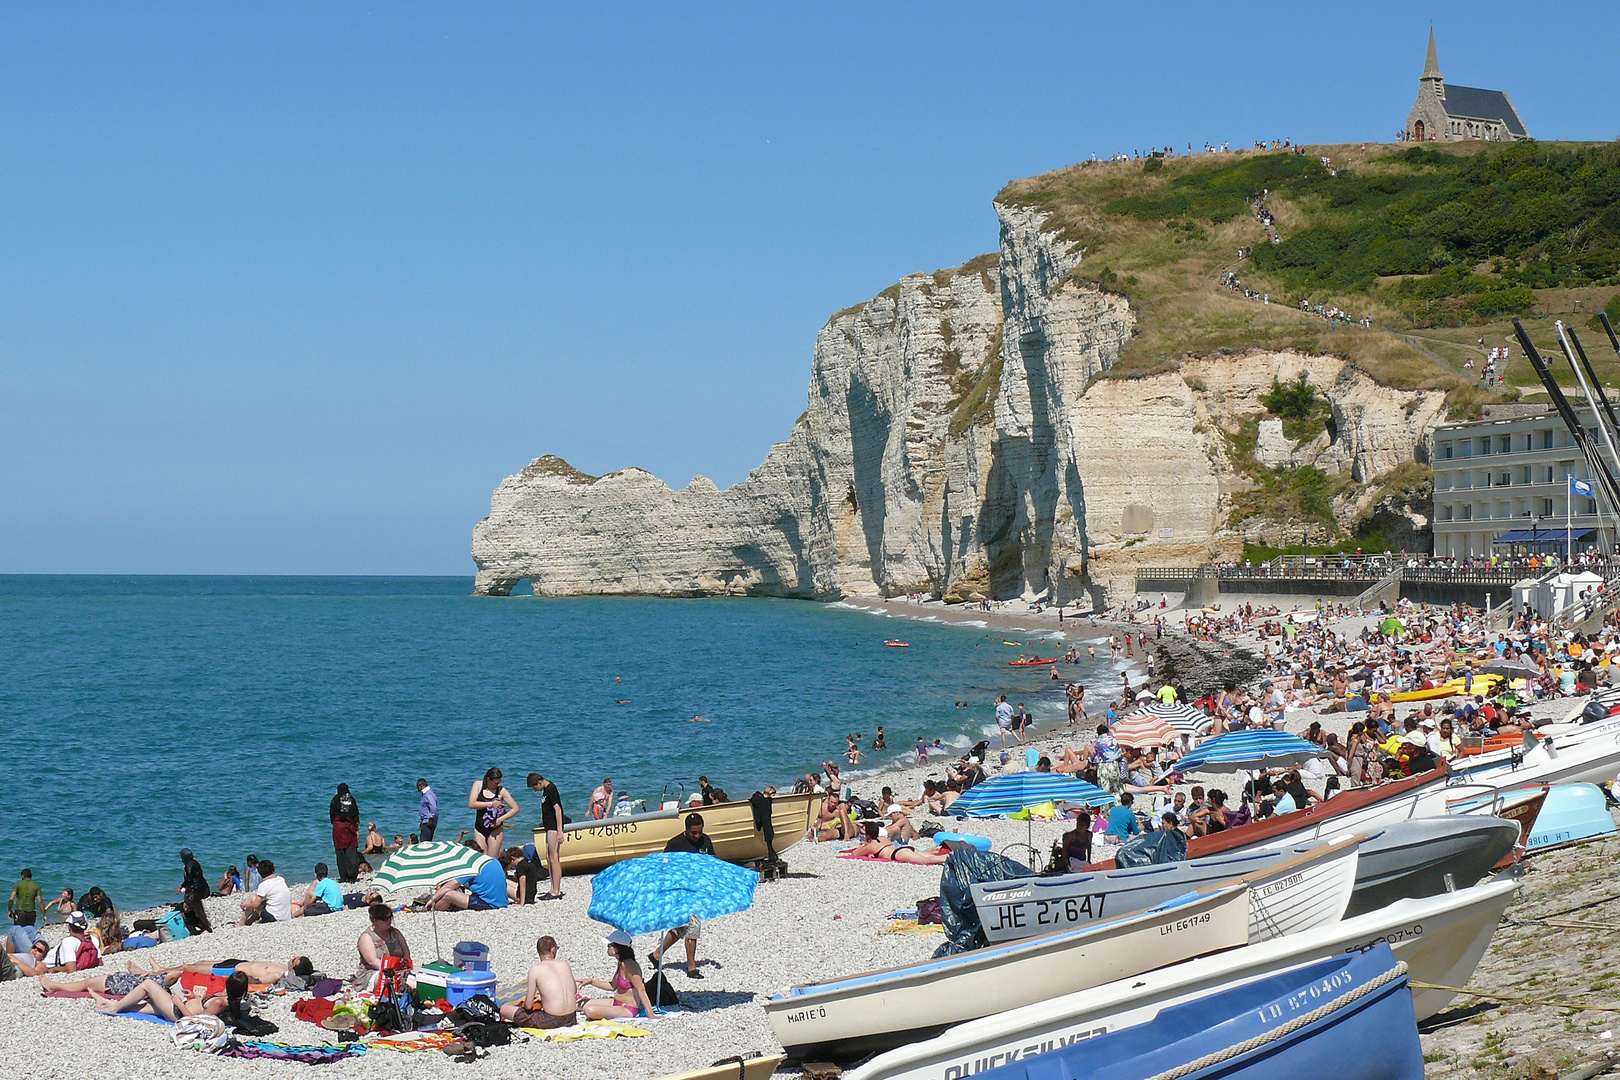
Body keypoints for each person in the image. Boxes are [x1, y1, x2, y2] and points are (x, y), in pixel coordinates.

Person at [651, 814, 714, 978]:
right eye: (694, 832)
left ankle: (657, 954)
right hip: (679, 892)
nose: (697, 836)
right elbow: (663, 868)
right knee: (693, 926)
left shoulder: (705, 841)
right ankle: (691, 968)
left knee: (681, 927)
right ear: (686, 830)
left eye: (699, 832)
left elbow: (713, 864)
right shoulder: (675, 844)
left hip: (697, 890)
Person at [94, 969, 247, 1023]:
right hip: (180, 1006)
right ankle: (107, 1004)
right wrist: (193, 996)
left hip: (178, 1013)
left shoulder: (220, 1002)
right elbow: (202, 1007)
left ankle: (113, 1007)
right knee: (141, 1007)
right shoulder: (226, 997)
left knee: (148, 984)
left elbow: (197, 1022)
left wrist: (179, 1003)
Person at [502, 935, 579, 1029]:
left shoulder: (535, 969)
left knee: (504, 1009)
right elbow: (574, 990)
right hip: (571, 1018)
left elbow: (528, 1006)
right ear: (553, 950)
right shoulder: (565, 964)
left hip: (551, 1021)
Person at [579, 930, 658, 1020]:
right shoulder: (622, 963)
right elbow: (612, 986)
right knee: (581, 1005)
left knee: (589, 1010)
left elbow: (641, 989)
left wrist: (651, 1015)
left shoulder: (629, 965)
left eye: (609, 946)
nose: (608, 948)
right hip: (617, 1002)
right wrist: (591, 981)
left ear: (616, 949)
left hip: (627, 1009)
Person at [352, 903, 411, 991]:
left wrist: (405, 966)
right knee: (387, 983)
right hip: (373, 972)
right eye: (385, 918)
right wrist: (393, 970)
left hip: (399, 971)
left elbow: (406, 952)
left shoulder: (395, 933)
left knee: (415, 983)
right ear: (375, 920)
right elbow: (372, 961)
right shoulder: (367, 937)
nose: (389, 920)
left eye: (390, 917)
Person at [527, 772, 566, 901]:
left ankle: (557, 890)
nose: (534, 790)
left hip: (554, 827)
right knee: (549, 857)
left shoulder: (550, 789)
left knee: (554, 857)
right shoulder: (546, 791)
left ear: (539, 782)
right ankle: (553, 888)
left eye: (534, 788)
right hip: (549, 827)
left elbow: (558, 809)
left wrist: (560, 830)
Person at [470, 767, 521, 861]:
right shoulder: (478, 785)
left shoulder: (501, 791)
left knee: (491, 859)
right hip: (480, 827)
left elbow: (515, 808)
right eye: (495, 783)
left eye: (499, 782)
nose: (498, 785)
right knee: (481, 858)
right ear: (488, 779)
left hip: (496, 829)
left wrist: (500, 819)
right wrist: (491, 804)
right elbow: (472, 804)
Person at [430, 855, 511, 911]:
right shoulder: (492, 860)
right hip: (503, 901)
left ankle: (433, 908)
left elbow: (450, 886)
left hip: (489, 904)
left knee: (449, 895)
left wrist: (433, 899)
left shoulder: (472, 865)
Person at [847, 821, 950, 864]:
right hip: (905, 848)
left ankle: (949, 858)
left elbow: (855, 853)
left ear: (868, 834)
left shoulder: (871, 845)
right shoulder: (883, 838)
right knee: (927, 855)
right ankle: (951, 855)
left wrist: (865, 842)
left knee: (926, 860)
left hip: (898, 854)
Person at [239, 859, 291, 925]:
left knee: (252, 898)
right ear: (273, 870)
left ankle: (241, 923)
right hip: (286, 917)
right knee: (263, 901)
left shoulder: (264, 885)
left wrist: (246, 905)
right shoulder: (281, 879)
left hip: (273, 918)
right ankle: (249, 922)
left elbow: (256, 905)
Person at [329, 784, 361, 883]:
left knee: (340, 853)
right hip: (349, 828)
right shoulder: (351, 800)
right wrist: (357, 829)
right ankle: (352, 876)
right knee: (351, 852)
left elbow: (332, 816)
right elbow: (356, 816)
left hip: (338, 829)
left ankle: (343, 876)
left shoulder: (334, 800)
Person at [417, 778, 439, 842]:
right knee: (425, 841)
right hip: (426, 820)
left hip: (428, 822)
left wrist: (431, 817)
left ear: (421, 786)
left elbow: (433, 806)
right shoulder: (428, 793)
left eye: (418, 787)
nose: (417, 790)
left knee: (425, 842)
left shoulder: (427, 794)